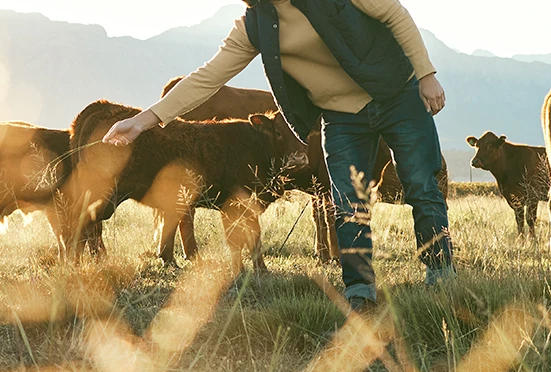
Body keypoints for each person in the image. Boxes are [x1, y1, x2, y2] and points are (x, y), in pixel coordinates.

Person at [103, 0, 454, 312]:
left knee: (421, 185)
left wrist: (426, 74)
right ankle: (360, 291)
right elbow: (207, 78)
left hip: (398, 96)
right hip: (341, 116)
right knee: (347, 202)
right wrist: (143, 120)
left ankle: (440, 274)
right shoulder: (254, 26)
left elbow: (394, 12)